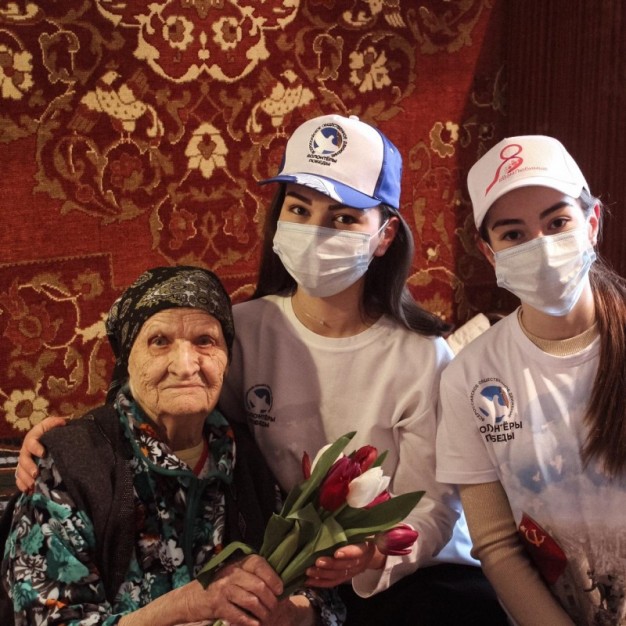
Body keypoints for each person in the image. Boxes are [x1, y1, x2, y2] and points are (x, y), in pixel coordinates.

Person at [14, 115, 508, 625]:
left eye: (343, 218)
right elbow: (166, 408)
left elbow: (433, 507)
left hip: (408, 578)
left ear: (384, 236)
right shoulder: (243, 329)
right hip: (293, 570)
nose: (315, 232)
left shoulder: (422, 357)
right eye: (300, 209)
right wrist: (64, 443)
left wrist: (374, 554)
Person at [3, 266, 344, 626]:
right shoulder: (71, 464)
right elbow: (43, 618)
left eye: (205, 341)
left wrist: (291, 613)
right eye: (159, 341)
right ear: (127, 359)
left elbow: (321, 594)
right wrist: (184, 606)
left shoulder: (242, 455)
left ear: (227, 359)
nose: (185, 366)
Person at [436, 135, 626, 625]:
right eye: (513, 234)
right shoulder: (469, 377)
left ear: (592, 223)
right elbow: (497, 544)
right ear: (489, 252)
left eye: (557, 222)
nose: (540, 246)